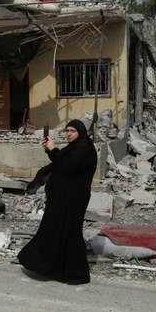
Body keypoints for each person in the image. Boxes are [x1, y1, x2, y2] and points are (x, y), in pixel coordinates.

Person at [17, 119, 97, 285]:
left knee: (70, 234)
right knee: (56, 232)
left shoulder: (85, 149)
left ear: (80, 132)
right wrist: (50, 150)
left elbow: (68, 166)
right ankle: (51, 268)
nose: (68, 134)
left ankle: (76, 274)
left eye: (72, 131)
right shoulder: (75, 147)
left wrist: (54, 149)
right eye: (67, 131)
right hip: (63, 199)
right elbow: (61, 162)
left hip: (73, 200)